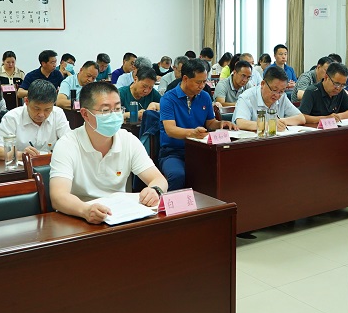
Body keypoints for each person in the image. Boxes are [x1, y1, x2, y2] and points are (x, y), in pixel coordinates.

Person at [49, 81, 169, 224]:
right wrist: (85, 210)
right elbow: (58, 196)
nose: (114, 115)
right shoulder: (67, 144)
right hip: (79, 218)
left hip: (120, 217)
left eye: (117, 109)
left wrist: (155, 190)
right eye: (105, 110)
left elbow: (159, 179)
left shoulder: (128, 140)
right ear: (85, 114)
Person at [159, 59, 236, 190]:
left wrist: (222, 124)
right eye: (198, 82)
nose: (202, 86)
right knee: (177, 175)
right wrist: (192, 133)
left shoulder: (204, 96)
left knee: (221, 170)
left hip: (200, 150)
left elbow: (210, 123)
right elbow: (170, 130)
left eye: (204, 81)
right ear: (185, 79)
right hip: (173, 152)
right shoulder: (168, 98)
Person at [0, 80, 70, 160]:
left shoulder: (57, 113)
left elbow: (70, 143)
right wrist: (21, 155)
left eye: (47, 109)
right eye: (37, 108)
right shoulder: (12, 117)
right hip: (21, 166)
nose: (41, 114)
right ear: (26, 101)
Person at [233, 66, 305, 131]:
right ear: (263, 84)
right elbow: (241, 123)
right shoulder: (247, 97)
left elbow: (301, 118)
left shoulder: (282, 97)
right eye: (274, 90)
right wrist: (270, 125)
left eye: (281, 91)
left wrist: (282, 122)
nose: (277, 95)